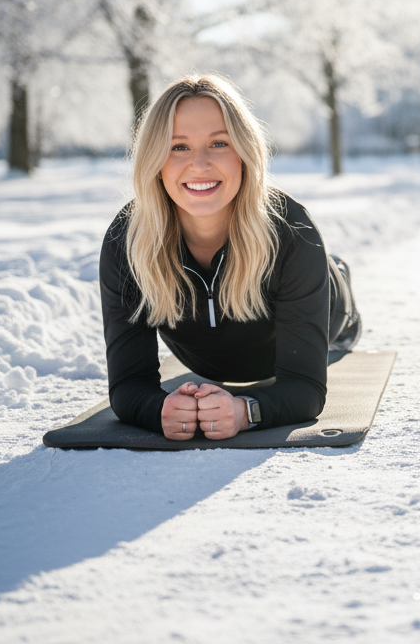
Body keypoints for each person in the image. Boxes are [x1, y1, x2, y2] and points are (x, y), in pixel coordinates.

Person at [100, 75, 361, 440]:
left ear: (244, 153)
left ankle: (337, 272)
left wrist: (245, 412)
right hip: (203, 362)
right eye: (179, 147)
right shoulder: (127, 239)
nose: (200, 164)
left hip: (331, 312)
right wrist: (157, 409)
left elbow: (305, 388)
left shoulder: (292, 232)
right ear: (155, 160)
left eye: (219, 143)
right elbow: (128, 385)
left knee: (331, 283)